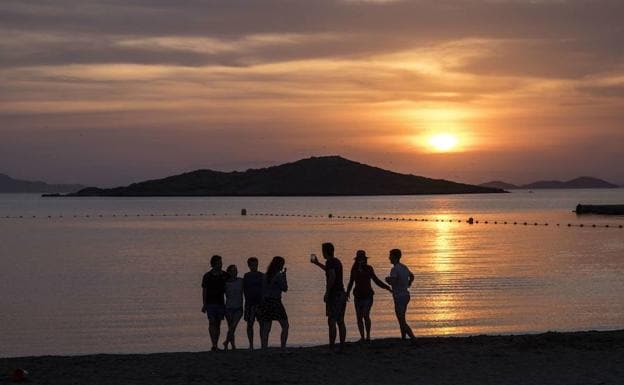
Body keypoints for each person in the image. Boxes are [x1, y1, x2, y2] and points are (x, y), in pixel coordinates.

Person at [346, 250, 392, 342]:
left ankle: (368, 336)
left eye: (362, 258)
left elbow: (376, 280)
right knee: (359, 317)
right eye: (359, 259)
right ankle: (362, 337)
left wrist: (387, 287)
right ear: (357, 259)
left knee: (365, 315)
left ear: (365, 259)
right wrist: (347, 293)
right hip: (358, 296)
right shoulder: (354, 269)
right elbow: (351, 282)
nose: (361, 260)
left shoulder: (369, 268)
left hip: (368, 295)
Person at [311, 242, 347, 352]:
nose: (322, 253)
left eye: (323, 251)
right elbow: (329, 270)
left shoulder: (330, 262)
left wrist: (327, 292)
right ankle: (341, 346)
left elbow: (332, 276)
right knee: (340, 321)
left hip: (334, 295)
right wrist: (317, 263)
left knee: (332, 321)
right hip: (341, 293)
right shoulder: (336, 261)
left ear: (326, 251)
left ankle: (332, 347)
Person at [257, 256, 289, 349]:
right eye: (282, 264)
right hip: (275, 302)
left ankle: (264, 347)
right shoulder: (278, 275)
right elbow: (285, 288)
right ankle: (283, 347)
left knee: (266, 327)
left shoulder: (265, 275)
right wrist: (284, 276)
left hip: (266, 302)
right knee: (285, 325)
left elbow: (262, 291)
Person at [385, 249, 417, 341]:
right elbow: (412, 276)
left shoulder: (394, 269)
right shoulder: (404, 267)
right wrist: (409, 283)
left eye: (390, 256)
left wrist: (387, 280)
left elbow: (393, 282)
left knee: (401, 320)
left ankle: (413, 338)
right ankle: (403, 337)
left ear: (394, 257)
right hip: (405, 295)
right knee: (401, 317)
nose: (389, 258)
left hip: (399, 296)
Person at [201, 255, 229, 352]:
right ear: (213, 264)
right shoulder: (207, 276)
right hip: (210, 303)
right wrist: (204, 304)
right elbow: (204, 290)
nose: (220, 264)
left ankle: (216, 344)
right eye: (218, 263)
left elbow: (229, 287)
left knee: (218, 324)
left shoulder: (225, 275)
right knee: (212, 322)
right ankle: (214, 344)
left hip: (221, 302)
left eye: (221, 263)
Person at [243, 257, 264, 350]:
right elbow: (244, 289)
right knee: (250, 324)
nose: (254, 266)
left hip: (260, 303)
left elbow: (265, 288)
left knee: (262, 324)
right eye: (252, 265)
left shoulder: (261, 275)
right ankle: (251, 344)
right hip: (249, 303)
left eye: (256, 264)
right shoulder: (246, 276)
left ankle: (263, 343)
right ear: (249, 265)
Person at [223, 264, 244, 351]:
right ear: (229, 272)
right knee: (231, 327)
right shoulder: (225, 283)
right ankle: (233, 345)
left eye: (235, 270)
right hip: (228, 307)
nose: (234, 272)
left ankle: (226, 342)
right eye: (232, 270)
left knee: (233, 326)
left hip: (238, 307)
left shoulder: (241, 281)